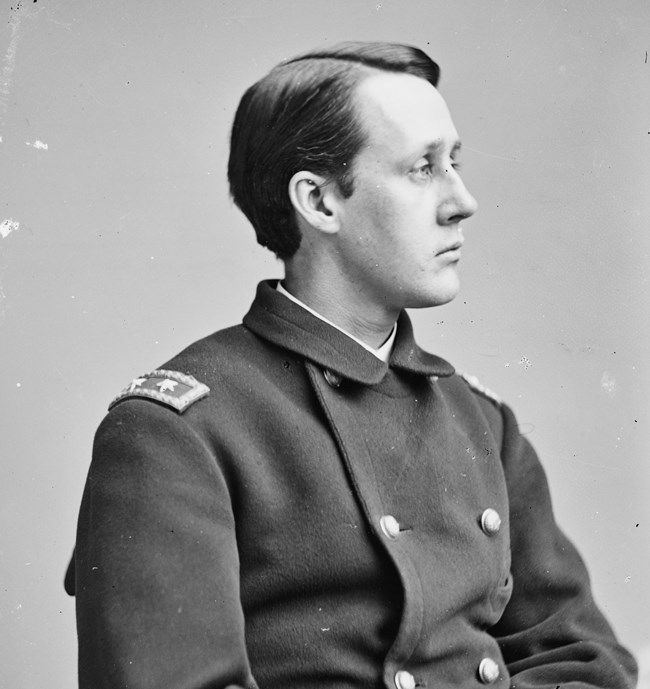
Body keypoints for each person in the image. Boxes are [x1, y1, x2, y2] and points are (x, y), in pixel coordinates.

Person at [65, 41, 638, 689]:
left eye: (454, 161)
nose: (463, 200)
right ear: (319, 202)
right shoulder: (175, 432)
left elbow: (589, 665)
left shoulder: (482, 422)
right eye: (423, 168)